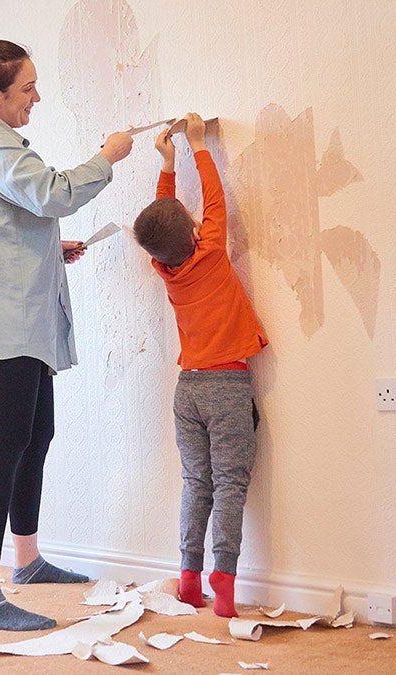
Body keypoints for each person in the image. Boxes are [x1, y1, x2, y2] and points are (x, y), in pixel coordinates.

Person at [0, 38, 134, 631]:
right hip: (5, 319)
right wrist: (109, 155)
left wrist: (53, 247)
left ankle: (25, 561)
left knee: (36, 433)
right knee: (2, 445)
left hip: (22, 313)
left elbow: (6, 220)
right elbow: (54, 193)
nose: (37, 96)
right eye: (27, 87)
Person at [131, 112, 269, 618]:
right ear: (193, 229)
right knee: (230, 484)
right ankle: (225, 583)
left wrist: (168, 163)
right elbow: (216, 200)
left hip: (186, 389)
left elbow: (162, 219)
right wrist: (198, 144)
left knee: (197, 483)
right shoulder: (211, 252)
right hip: (227, 385)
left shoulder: (165, 268)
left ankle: (189, 579)